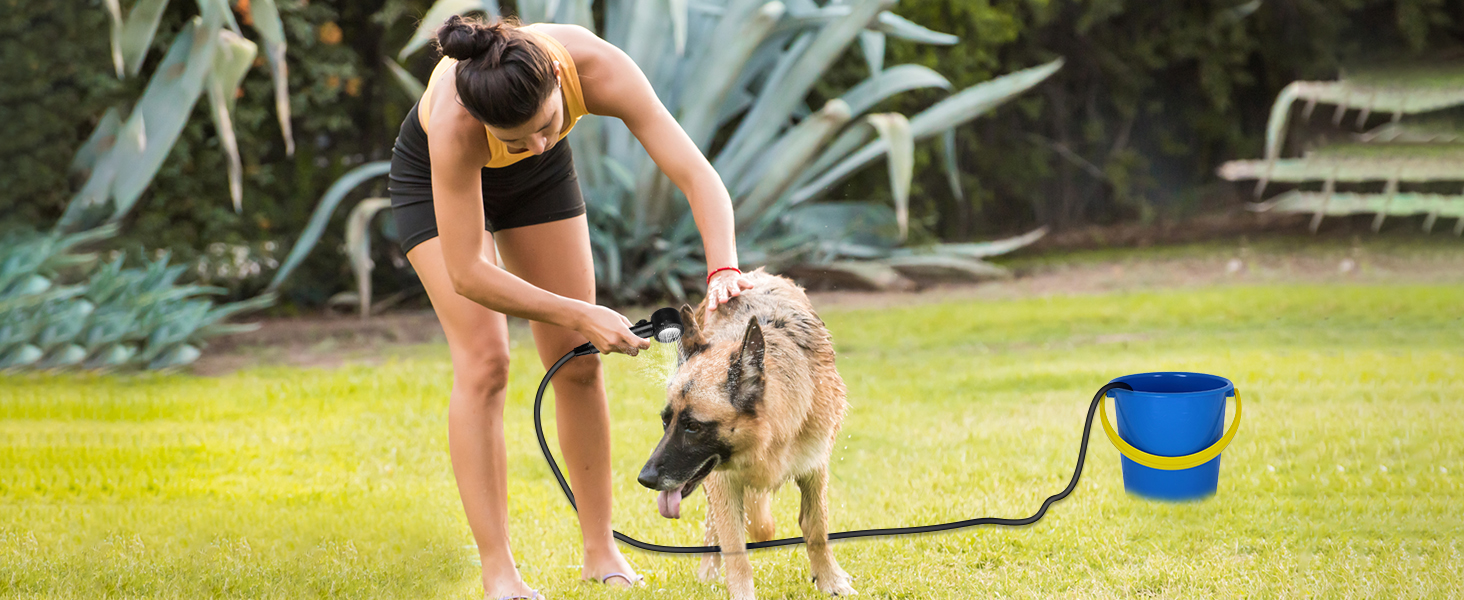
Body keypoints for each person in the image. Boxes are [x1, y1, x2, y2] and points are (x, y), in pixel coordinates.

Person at [386, 13, 754, 600]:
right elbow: (470, 274)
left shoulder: (594, 66)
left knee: (578, 364)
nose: (537, 142)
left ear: (558, 77)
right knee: (485, 365)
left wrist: (724, 268)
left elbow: (695, 173)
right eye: (517, 139)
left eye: (549, 124)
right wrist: (584, 313)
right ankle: (499, 573)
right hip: (435, 186)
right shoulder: (457, 124)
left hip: (539, 185)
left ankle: (600, 551)